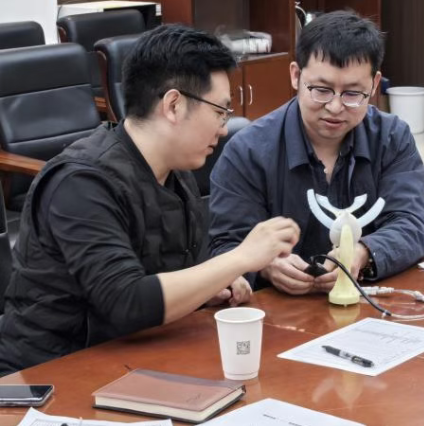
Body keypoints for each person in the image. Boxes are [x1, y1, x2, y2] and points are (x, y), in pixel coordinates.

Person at [0, 25, 299, 376]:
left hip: (135, 360)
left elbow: (163, 274)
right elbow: (126, 301)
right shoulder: (81, 182)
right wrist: (240, 259)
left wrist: (207, 288)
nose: (223, 127)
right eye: (220, 111)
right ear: (173, 105)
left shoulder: (175, 171)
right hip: (52, 374)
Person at [209, 11, 424, 295]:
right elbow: (224, 246)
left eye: (352, 94)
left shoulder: (391, 138)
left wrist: (362, 253)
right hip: (278, 310)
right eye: (321, 90)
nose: (335, 107)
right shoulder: (248, 151)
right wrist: (265, 265)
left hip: (365, 301)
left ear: (375, 84)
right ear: (295, 75)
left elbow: (412, 225)